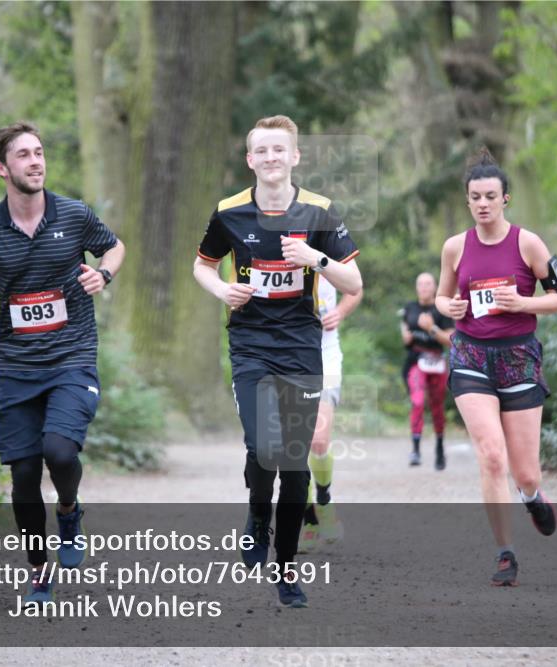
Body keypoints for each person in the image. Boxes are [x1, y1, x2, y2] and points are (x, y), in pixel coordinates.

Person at [0, 121, 124, 603]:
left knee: (60, 453)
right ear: (2, 168)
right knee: (23, 473)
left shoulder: (74, 214)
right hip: (17, 365)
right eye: (24, 155)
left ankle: (68, 510)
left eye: (39, 152)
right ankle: (39, 568)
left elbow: (114, 246)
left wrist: (104, 275)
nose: (36, 161)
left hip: (72, 357)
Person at [193, 115, 362, 607]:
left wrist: (316, 260)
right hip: (250, 344)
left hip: (301, 345)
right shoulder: (229, 212)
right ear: (250, 160)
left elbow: (354, 283)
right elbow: (202, 266)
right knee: (262, 446)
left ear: (295, 157)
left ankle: (286, 570)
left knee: (295, 466)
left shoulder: (319, 212)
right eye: (262, 150)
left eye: (279, 149)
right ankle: (256, 514)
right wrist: (222, 290)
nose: (271, 157)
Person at [434, 147, 557, 586]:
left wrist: (523, 302)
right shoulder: (455, 247)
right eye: (475, 197)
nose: (483, 204)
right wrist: (450, 307)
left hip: (518, 357)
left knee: (525, 470)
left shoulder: (528, 243)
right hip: (471, 355)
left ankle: (531, 495)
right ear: (468, 200)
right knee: (492, 456)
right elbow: (441, 297)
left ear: (505, 199)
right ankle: (505, 553)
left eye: (490, 196)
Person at [298, 275, 362, 552]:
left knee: (318, 440)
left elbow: (356, 288)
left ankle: (323, 499)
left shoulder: (327, 253)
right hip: (287, 357)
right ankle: (309, 520)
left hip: (325, 356)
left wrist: (339, 311)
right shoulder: (276, 255)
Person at [400, 272, 453, 469]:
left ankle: (439, 449)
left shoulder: (442, 309)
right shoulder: (410, 308)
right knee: (417, 401)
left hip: (437, 360)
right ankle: (415, 450)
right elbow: (404, 326)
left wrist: (432, 329)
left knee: (437, 407)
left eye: (428, 284)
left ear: (435, 287)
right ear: (416, 287)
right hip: (416, 361)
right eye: (420, 284)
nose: (424, 287)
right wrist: (405, 336)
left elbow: (451, 339)